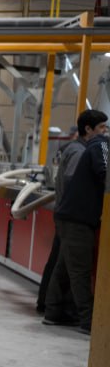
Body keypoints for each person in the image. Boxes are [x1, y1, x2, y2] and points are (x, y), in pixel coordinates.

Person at [42, 108, 108, 327]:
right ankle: (88, 320)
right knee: (80, 271)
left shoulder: (80, 147)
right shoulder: (94, 147)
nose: (105, 131)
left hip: (68, 215)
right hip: (77, 218)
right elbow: (97, 176)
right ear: (88, 129)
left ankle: (53, 312)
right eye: (102, 127)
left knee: (63, 267)